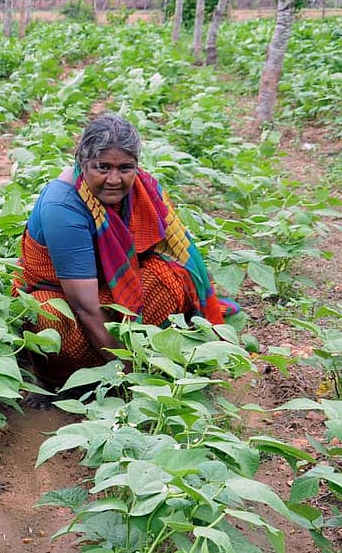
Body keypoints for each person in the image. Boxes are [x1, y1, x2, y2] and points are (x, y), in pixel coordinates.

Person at [13, 114, 234, 389]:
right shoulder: (64, 206)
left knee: (172, 278)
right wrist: (128, 374)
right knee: (50, 320)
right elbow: (84, 306)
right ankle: (66, 381)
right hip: (62, 294)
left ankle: (137, 351)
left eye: (125, 168)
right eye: (102, 167)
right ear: (82, 161)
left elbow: (170, 253)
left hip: (113, 285)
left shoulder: (143, 187)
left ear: (136, 166)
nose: (114, 179)